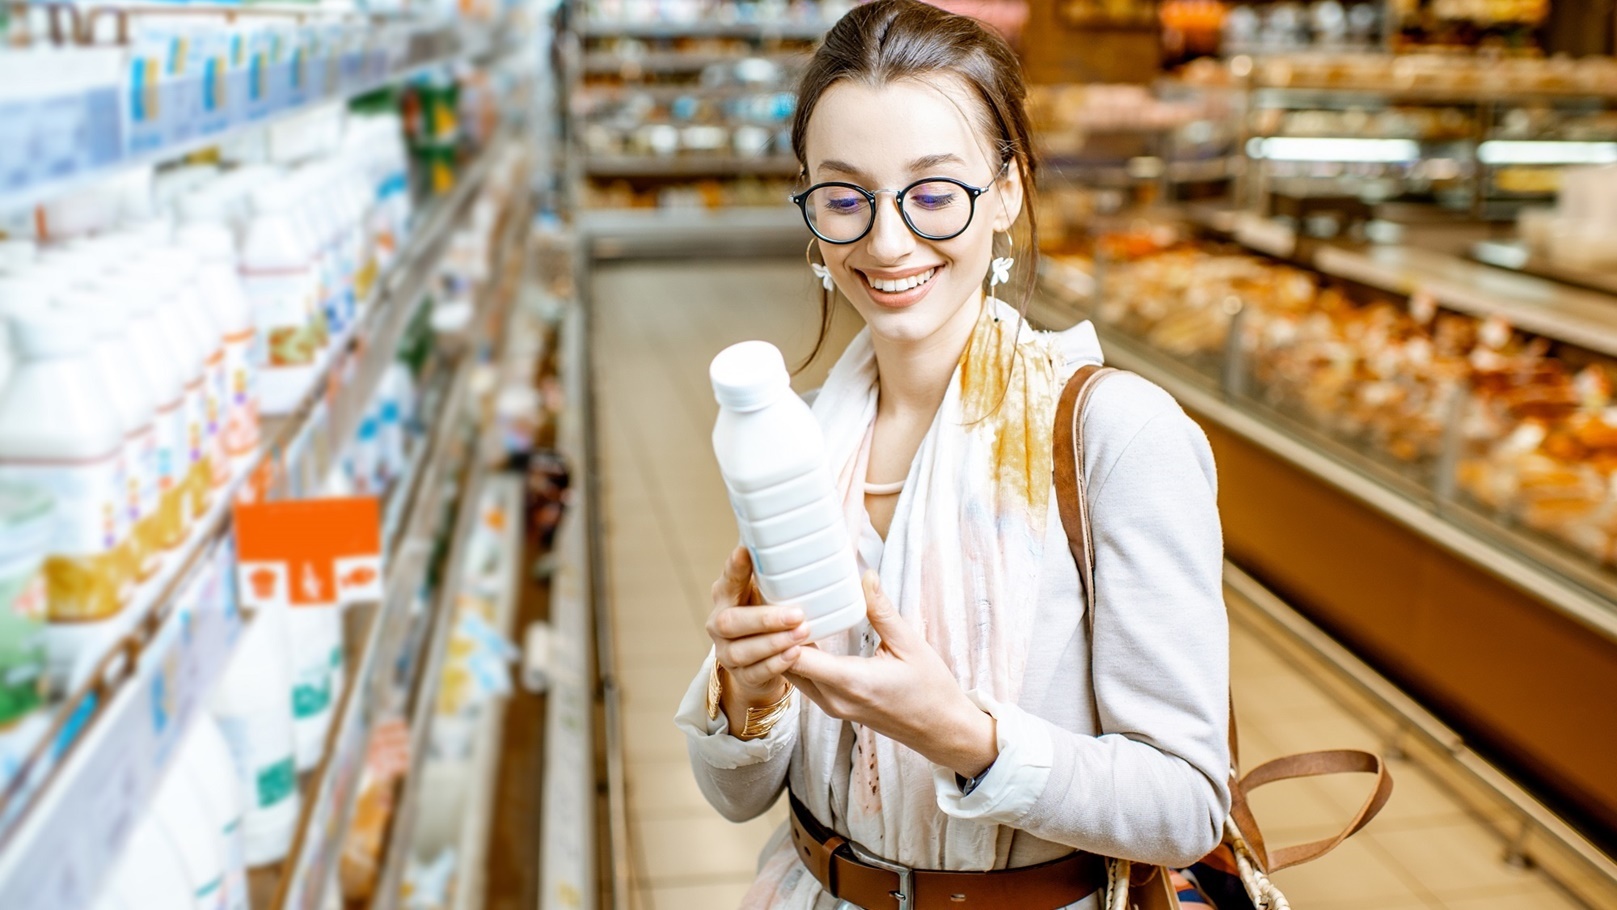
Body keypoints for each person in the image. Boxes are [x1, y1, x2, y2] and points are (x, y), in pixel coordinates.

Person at [673, 2, 1230, 907]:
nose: (887, 242)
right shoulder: (800, 442)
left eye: (934, 192)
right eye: (845, 197)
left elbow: (1186, 805)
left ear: (1007, 189)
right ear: (811, 213)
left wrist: (967, 736)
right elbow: (736, 797)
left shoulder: (1112, 437)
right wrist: (743, 694)